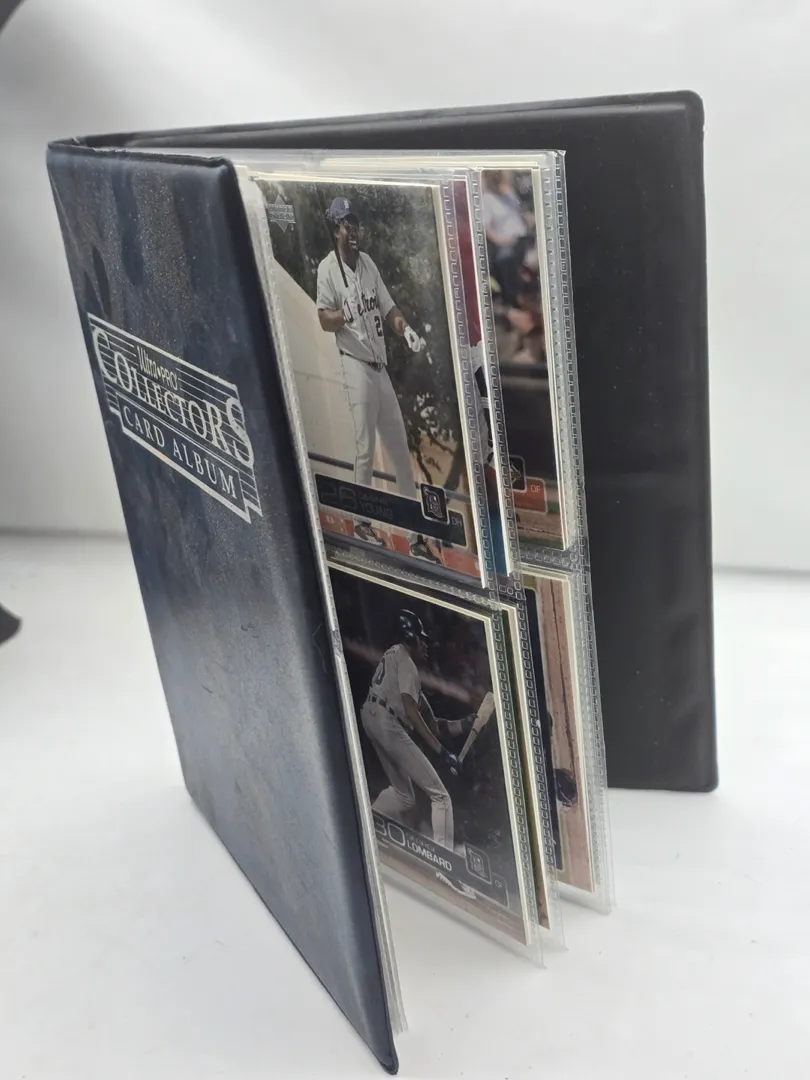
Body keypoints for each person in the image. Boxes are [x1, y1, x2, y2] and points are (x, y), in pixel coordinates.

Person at [316, 196, 439, 563]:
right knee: (365, 446)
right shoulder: (327, 269)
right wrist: (344, 313)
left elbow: (388, 307)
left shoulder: (368, 263)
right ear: (337, 230)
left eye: (356, 223)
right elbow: (323, 320)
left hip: (379, 366)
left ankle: (415, 537)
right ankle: (361, 523)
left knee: (400, 451)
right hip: (354, 363)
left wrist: (406, 329)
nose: (353, 230)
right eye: (346, 224)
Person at [361, 610, 459, 852]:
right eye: (421, 638)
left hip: (370, 715)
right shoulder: (407, 663)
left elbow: (430, 720)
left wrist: (466, 723)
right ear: (410, 636)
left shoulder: (393, 655)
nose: (425, 644)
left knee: (404, 797)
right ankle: (444, 859)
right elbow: (411, 710)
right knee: (441, 796)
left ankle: (368, 822)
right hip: (386, 721)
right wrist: (440, 751)